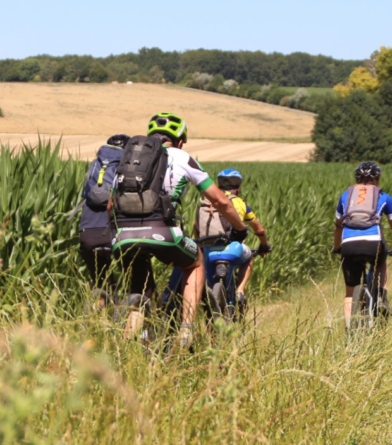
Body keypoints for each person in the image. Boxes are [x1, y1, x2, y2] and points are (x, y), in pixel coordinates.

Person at [111, 113, 248, 348]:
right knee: (194, 262)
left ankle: (129, 346)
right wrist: (240, 228)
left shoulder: (130, 160)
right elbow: (221, 201)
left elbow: (110, 205)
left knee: (140, 288)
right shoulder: (182, 157)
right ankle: (186, 328)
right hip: (162, 231)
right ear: (180, 140)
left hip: (123, 234)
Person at [333, 161, 392, 329]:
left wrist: (337, 247)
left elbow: (338, 225)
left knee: (349, 292)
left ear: (356, 178)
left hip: (348, 244)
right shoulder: (383, 196)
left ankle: (349, 332)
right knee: (381, 262)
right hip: (373, 244)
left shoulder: (346, 196)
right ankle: (381, 297)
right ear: (377, 179)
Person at [195, 168, 272, 310]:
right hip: (232, 249)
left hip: (208, 251)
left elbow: (196, 228)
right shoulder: (240, 203)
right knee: (248, 257)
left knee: (209, 287)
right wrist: (264, 245)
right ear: (239, 187)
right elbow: (259, 229)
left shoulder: (206, 201)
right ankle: (239, 291)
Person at [77, 134, 129, 305]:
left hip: (87, 235)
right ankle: (127, 312)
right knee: (133, 278)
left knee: (101, 281)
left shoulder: (94, 170)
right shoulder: (126, 170)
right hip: (113, 235)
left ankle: (97, 318)